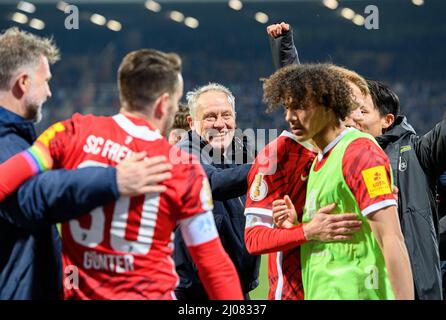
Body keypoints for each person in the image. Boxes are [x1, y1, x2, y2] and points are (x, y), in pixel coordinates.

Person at [0, 48, 243, 300]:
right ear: (163, 103)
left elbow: (5, 180)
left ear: (124, 91)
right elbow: (213, 264)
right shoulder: (184, 168)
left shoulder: (69, 132)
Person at [268, 22, 445, 300]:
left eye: (362, 110)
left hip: (410, 284)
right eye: (350, 108)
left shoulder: (412, 153)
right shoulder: (325, 159)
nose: (354, 116)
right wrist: (300, 221)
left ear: (387, 121)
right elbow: (308, 101)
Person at [0, 27, 171, 300]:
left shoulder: (16, 140)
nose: (49, 93)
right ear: (22, 83)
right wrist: (112, 179)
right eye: (45, 81)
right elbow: (33, 198)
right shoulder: (5, 143)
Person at [263, 63, 414, 300]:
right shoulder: (319, 162)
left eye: (300, 107)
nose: (289, 117)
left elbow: (391, 237)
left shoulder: (359, 152)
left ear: (329, 105)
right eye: (288, 107)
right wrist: (297, 223)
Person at [174, 83, 259, 300]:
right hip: (194, 293)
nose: (220, 124)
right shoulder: (184, 153)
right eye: (210, 117)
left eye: (226, 115)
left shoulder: (243, 150)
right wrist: (266, 166)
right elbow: (213, 183)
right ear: (192, 123)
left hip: (237, 289)